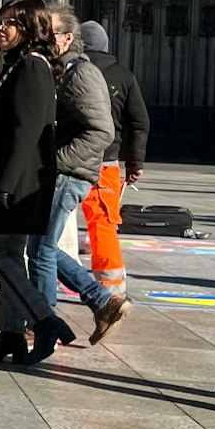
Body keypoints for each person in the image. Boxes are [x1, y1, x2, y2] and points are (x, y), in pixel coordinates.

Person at [0, 0, 77, 366]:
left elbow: (27, 131)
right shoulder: (19, 64)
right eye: (0, 20)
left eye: (11, 21)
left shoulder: (32, 65)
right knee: (4, 252)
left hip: (19, 180)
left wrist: (5, 186)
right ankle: (11, 334)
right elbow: (9, 121)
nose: (1, 27)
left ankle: (44, 320)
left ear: (30, 26)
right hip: (8, 172)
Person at [42, 9, 124, 343]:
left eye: (49, 33)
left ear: (67, 38)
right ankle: (103, 301)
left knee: (41, 251)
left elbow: (103, 131)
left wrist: (56, 162)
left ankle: (41, 323)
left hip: (70, 174)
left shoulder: (82, 73)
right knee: (41, 246)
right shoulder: (62, 72)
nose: (44, 39)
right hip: (65, 172)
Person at [78, 20, 148, 303]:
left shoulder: (68, 69)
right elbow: (139, 122)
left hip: (65, 157)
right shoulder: (124, 76)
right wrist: (135, 163)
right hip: (105, 161)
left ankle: (50, 280)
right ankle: (112, 289)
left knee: (56, 223)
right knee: (102, 222)